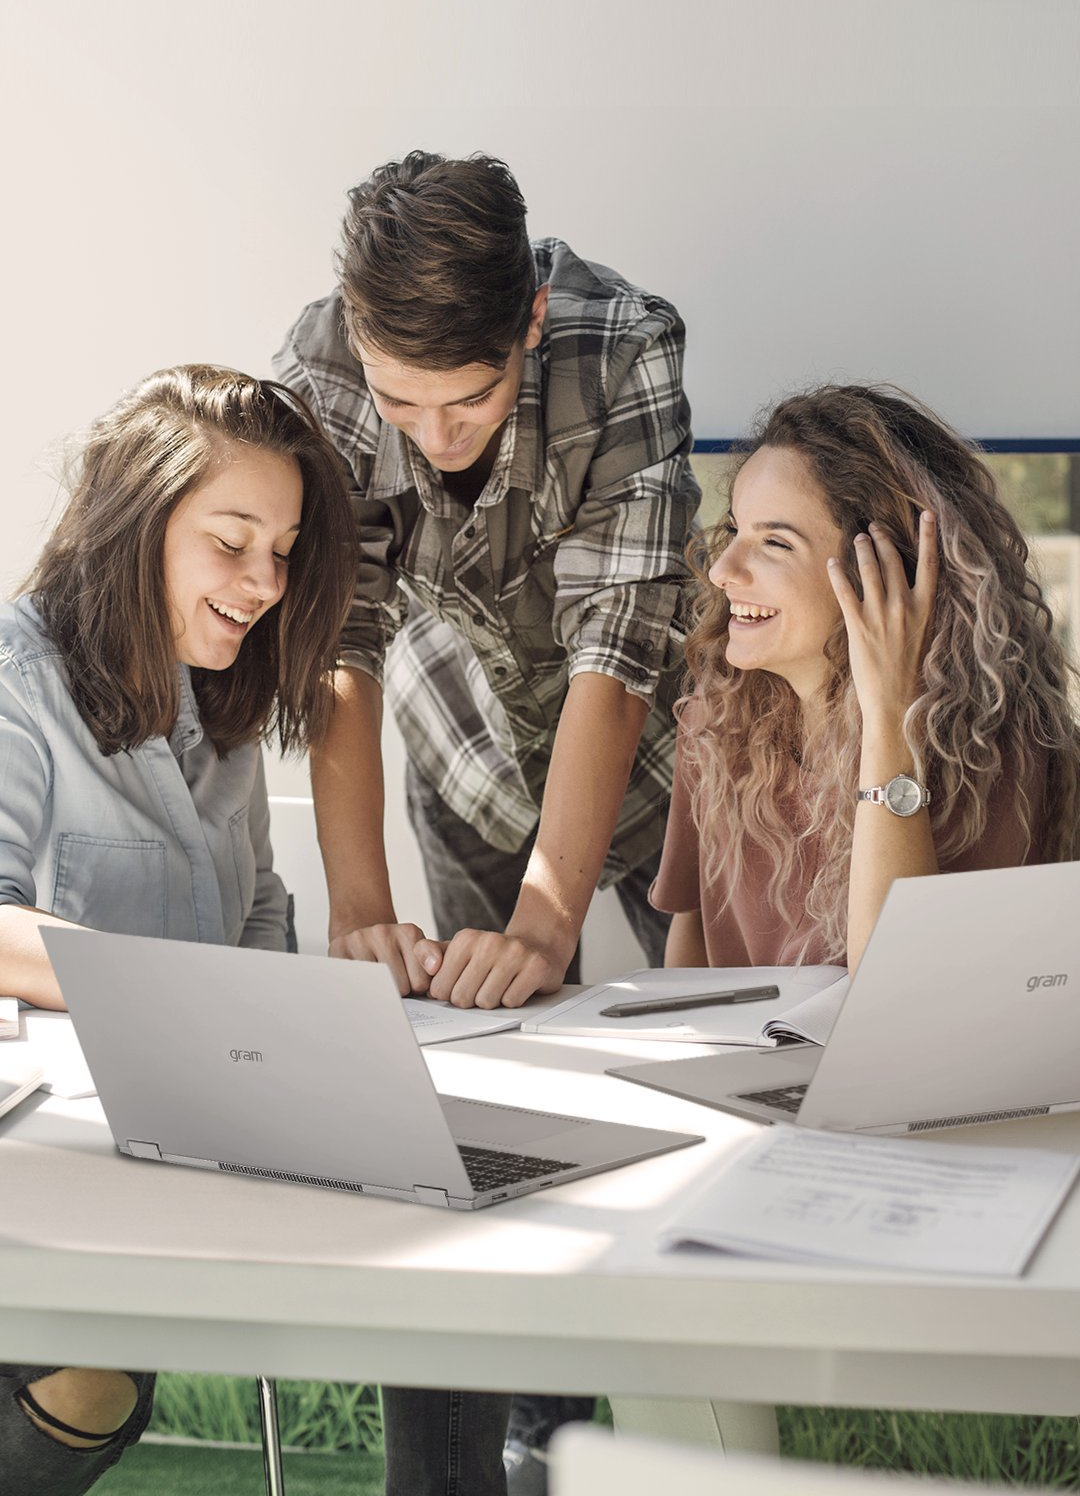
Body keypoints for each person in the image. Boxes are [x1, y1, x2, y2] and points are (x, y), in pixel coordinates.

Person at [273, 150, 701, 1488]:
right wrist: (355, 909)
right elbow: (336, 641)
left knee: (715, 1075)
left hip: (660, 774)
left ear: (526, 321)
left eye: (465, 404)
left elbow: (619, 652)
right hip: (459, 760)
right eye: (402, 401)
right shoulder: (322, 369)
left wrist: (551, 911)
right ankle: (522, 1436)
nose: (430, 436)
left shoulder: (626, 345)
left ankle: (679, 1420)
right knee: (478, 1103)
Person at [609, 382, 1080, 1451]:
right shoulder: (715, 716)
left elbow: (892, 997)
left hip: (941, 1145)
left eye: (771, 543)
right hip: (755, 1119)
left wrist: (887, 713)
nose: (723, 569)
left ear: (888, 577)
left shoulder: (991, 752)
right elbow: (686, 955)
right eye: (734, 533)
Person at [0, 364, 355, 1496]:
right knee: (89, 1373)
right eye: (232, 541)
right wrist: (170, 1002)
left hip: (179, 1129)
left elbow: (255, 904)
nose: (262, 582)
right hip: (42, 1157)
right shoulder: (18, 679)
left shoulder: (228, 702)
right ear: (140, 524)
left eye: (283, 550)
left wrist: (282, 1034)